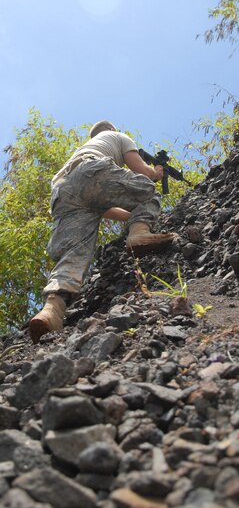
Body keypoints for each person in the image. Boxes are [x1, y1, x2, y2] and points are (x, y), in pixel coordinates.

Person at [29, 120, 175, 343]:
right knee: (148, 190)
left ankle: (51, 311)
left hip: (61, 191)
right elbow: (141, 171)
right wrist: (155, 172)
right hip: (92, 170)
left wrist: (133, 215)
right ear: (112, 130)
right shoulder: (118, 137)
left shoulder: (84, 148)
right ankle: (139, 234)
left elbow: (103, 206)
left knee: (73, 253)